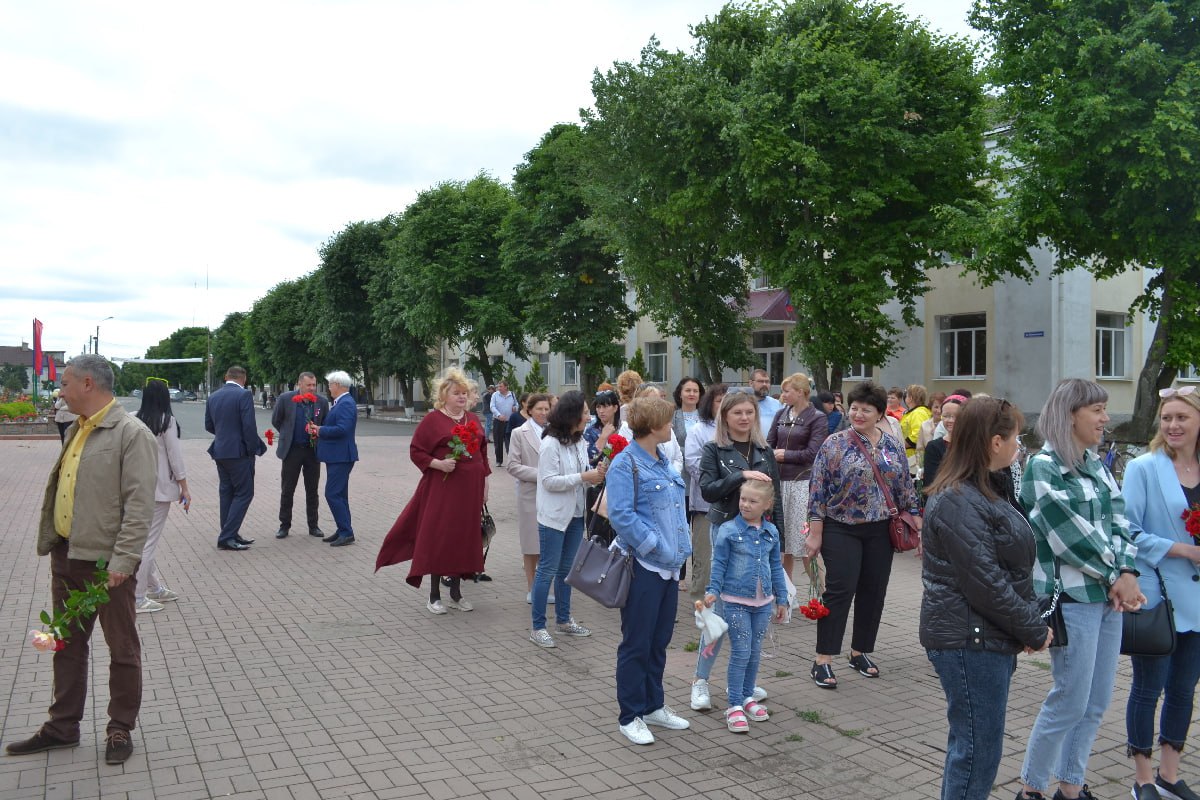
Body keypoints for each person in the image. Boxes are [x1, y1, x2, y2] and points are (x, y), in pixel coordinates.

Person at [4, 354, 156, 765]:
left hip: (108, 566)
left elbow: (139, 505)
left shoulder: (131, 433)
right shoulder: (76, 428)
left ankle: (120, 728)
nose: (61, 390)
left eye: (66, 382)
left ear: (88, 384)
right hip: (67, 555)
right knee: (66, 644)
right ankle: (62, 727)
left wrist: (124, 561)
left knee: (122, 648)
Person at [1015, 378, 1144, 800]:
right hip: (1073, 600)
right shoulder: (1043, 466)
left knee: (1096, 702)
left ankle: (1071, 787)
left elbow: (1120, 521)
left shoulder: (1096, 463)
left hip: (1108, 598)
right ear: (1071, 414)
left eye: (1105, 409)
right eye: (1098, 410)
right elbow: (1070, 536)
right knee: (1069, 699)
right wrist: (1117, 577)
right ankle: (1032, 787)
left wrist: (1128, 570)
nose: (1106, 418)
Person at [921, 397, 1052, 800]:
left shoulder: (987, 489)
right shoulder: (959, 499)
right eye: (1016, 437)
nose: (1019, 446)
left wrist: (1026, 621)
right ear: (995, 441)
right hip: (969, 639)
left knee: (972, 746)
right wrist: (1032, 626)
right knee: (977, 752)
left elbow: (1005, 571)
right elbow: (986, 583)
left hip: (983, 635)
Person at [806, 381, 921, 688]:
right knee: (840, 591)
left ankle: (859, 652)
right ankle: (823, 660)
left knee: (873, 591)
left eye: (865, 410)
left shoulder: (892, 444)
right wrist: (815, 533)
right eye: (854, 408)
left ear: (880, 413)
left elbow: (905, 487)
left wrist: (916, 520)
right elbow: (817, 490)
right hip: (840, 527)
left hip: (880, 529)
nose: (857, 414)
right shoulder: (835, 443)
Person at [1121, 385, 1200, 800]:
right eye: (1166, 417)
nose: (1172, 425)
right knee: (1148, 688)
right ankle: (1143, 778)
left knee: (1185, 690)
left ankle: (1170, 774)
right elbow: (1127, 530)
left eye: (1182, 417)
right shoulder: (1143, 468)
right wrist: (1183, 549)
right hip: (1159, 597)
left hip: (1199, 603)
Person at [607, 396, 693, 745]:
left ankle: (653, 705)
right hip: (645, 567)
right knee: (637, 643)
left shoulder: (660, 460)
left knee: (659, 642)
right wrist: (654, 545)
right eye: (668, 421)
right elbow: (622, 516)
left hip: (670, 568)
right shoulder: (626, 464)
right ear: (654, 425)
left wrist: (676, 549)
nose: (672, 427)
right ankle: (630, 715)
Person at [692, 391, 782, 710]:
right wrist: (740, 475)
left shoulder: (764, 450)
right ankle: (701, 681)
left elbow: (777, 499)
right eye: (737, 413)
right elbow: (708, 491)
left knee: (754, 612)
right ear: (725, 417)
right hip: (726, 534)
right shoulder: (714, 449)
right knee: (719, 615)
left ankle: (744, 682)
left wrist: (778, 545)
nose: (744, 418)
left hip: (759, 538)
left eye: (749, 413)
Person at [377, 368, 490, 613]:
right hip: (443, 488)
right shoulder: (433, 420)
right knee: (441, 536)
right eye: (456, 393)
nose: (461, 397)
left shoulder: (472, 418)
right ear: (444, 395)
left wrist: (485, 484)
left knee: (463, 536)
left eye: (464, 393)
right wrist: (438, 464)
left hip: (470, 489)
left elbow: (482, 453)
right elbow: (416, 450)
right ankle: (434, 595)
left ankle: (457, 593)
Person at [703, 480, 788, 734]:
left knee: (754, 650)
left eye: (752, 501)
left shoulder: (771, 532)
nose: (745, 505)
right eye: (743, 499)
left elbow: (776, 567)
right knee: (741, 651)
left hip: (763, 603)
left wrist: (781, 598)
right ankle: (734, 705)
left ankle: (748, 696)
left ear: (766, 505)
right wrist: (712, 591)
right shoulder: (728, 531)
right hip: (735, 601)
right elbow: (718, 563)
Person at [529, 391, 605, 648]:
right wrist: (584, 478)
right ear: (571, 414)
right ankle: (538, 626)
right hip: (553, 516)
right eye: (584, 412)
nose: (588, 417)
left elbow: (581, 471)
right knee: (547, 570)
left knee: (566, 570)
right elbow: (548, 481)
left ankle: (563, 621)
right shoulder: (550, 443)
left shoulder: (578, 440)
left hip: (575, 514)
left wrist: (595, 472)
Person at [133, 378, 191, 613]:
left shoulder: (132, 417)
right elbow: (175, 457)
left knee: (144, 540)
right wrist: (184, 487)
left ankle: (154, 587)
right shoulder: (167, 421)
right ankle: (137, 597)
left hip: (135, 487)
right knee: (147, 543)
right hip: (159, 488)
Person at [767, 372, 827, 581]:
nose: (782, 395)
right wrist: (771, 454)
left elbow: (814, 453)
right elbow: (769, 444)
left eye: (786, 391)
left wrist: (784, 455)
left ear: (801, 392)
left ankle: (822, 593)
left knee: (803, 541)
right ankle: (786, 594)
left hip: (802, 483)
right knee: (783, 543)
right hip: (780, 483)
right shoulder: (781, 414)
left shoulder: (817, 418)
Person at [204, 365, 267, 551]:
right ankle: (227, 536)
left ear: (226, 377)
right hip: (239, 453)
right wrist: (250, 449)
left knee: (227, 493)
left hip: (221, 451)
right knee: (244, 493)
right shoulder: (243, 395)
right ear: (244, 378)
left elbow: (209, 425)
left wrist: (224, 436)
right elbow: (249, 426)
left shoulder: (213, 396)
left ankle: (230, 533)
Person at [271, 371, 330, 540]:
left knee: (312, 490)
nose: (312, 388)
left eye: (314, 385)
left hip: (312, 451)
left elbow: (325, 423)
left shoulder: (321, 402)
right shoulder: (285, 399)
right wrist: (287, 435)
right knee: (287, 489)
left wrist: (316, 434)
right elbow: (276, 420)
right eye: (308, 385)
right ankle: (284, 525)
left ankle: (313, 525)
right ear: (299, 384)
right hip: (292, 450)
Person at [683, 383, 727, 607]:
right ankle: (700, 599)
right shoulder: (699, 430)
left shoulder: (738, 429)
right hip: (706, 504)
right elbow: (692, 463)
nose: (724, 405)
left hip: (735, 505)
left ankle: (726, 600)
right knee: (704, 556)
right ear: (710, 404)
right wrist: (723, 478)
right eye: (720, 401)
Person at [507, 393, 552, 601]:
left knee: (547, 543)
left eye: (546, 409)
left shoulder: (555, 432)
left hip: (553, 495)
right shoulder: (519, 433)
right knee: (530, 543)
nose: (543, 413)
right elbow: (513, 466)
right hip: (530, 494)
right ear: (530, 410)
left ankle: (544, 589)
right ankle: (531, 588)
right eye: (539, 409)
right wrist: (542, 475)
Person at [309, 371, 358, 547]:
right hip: (337, 455)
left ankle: (346, 532)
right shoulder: (342, 402)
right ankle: (342, 529)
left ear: (337, 385)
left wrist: (320, 430)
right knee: (340, 494)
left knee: (332, 494)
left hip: (341, 456)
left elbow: (343, 429)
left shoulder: (345, 403)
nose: (329, 388)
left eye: (330, 385)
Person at [921, 394, 967, 491]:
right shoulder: (934, 447)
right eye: (946, 416)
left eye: (955, 416)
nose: (950, 420)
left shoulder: (974, 445)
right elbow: (930, 482)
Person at [900, 384, 932, 464]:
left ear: (911, 398)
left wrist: (901, 445)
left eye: (906, 395)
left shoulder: (918, 413)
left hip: (914, 458)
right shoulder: (914, 412)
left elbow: (918, 434)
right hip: (911, 456)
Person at [490, 381, 517, 466]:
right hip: (498, 421)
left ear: (506, 387)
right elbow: (492, 406)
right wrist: (498, 415)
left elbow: (516, 404)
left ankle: (511, 460)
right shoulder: (495, 395)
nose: (499, 388)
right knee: (498, 441)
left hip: (509, 422)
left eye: (501, 386)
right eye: (498, 386)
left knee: (510, 441)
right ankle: (499, 460)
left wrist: (515, 408)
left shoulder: (512, 394)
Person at [750, 368, 783, 438]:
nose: (764, 384)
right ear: (751, 383)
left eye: (767, 382)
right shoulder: (742, 404)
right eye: (761, 381)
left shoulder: (779, 405)